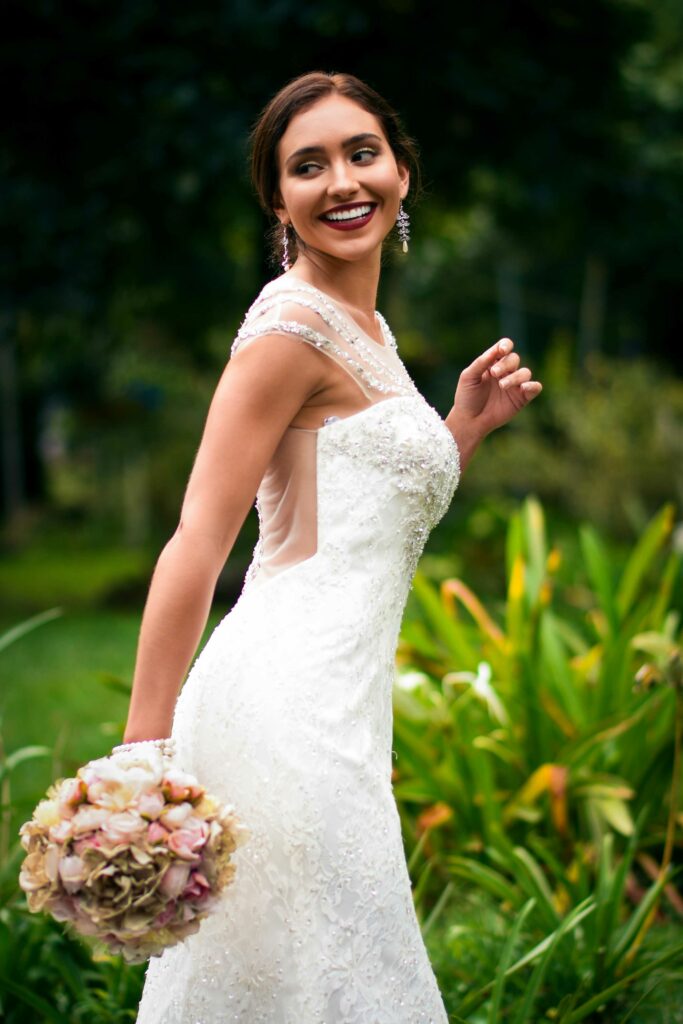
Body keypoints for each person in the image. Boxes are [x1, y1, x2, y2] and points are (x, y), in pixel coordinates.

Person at [129, 71, 542, 1023]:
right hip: (285, 713)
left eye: (361, 153)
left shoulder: (367, 330)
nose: (342, 182)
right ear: (278, 201)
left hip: (341, 713)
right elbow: (198, 539)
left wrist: (459, 432)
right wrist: (140, 758)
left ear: (400, 169)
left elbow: (338, 521)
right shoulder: (288, 328)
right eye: (307, 166)